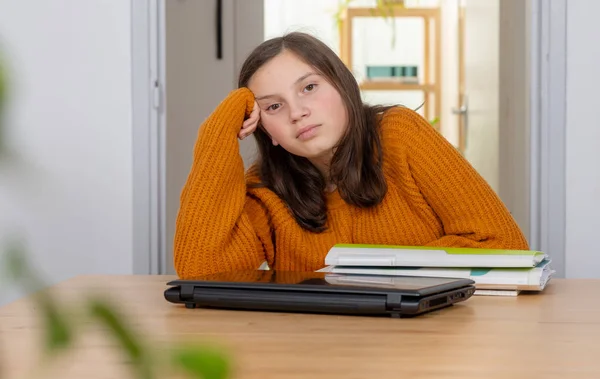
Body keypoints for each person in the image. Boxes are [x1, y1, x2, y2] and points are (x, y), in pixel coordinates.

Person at [173, 32, 529, 279]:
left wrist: (367, 269)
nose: (297, 112)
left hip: (429, 343)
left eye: (309, 87)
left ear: (342, 86)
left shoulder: (400, 134)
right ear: (267, 132)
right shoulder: (266, 188)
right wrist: (217, 135)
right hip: (322, 349)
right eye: (274, 106)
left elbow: (503, 245)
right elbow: (204, 271)